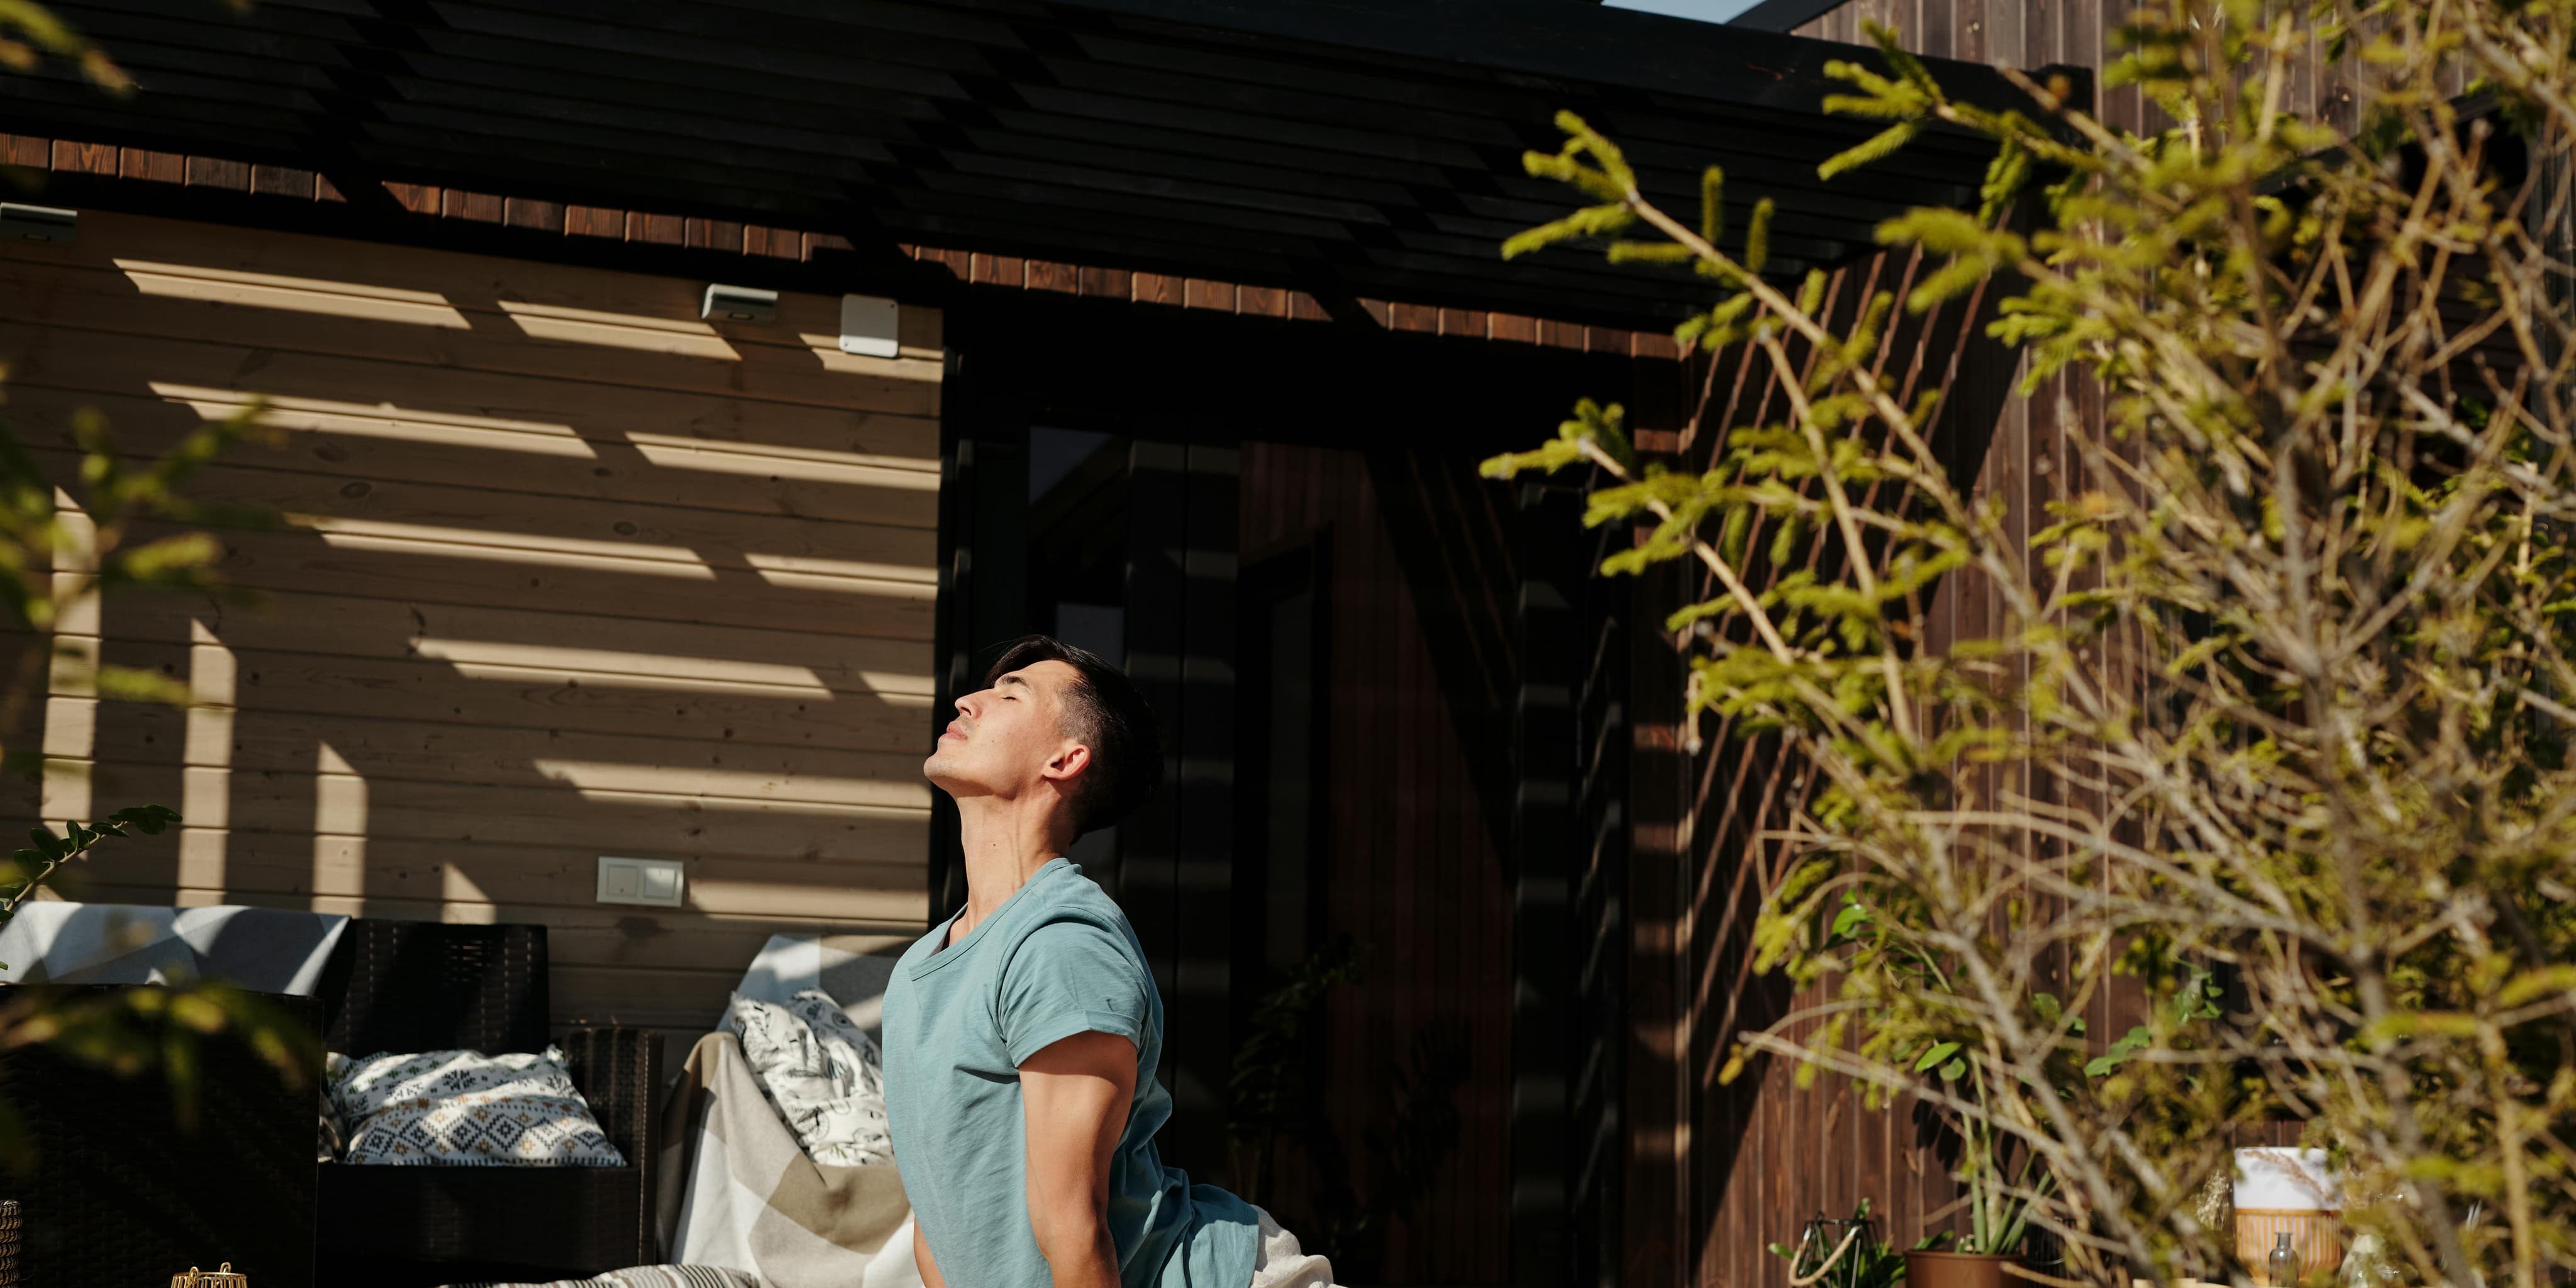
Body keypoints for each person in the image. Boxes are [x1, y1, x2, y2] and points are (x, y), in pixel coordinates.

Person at [882, 635, 1340, 1288]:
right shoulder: (920, 968)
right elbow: (941, 1223)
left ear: (1065, 759)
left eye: (1011, 693)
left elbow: (1072, 1227)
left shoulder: (1060, 943)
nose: (969, 699)